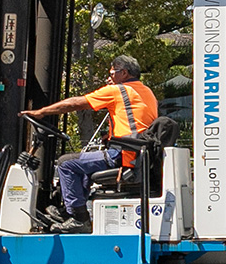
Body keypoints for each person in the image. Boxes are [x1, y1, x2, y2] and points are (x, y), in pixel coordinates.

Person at [27, 54, 157, 232]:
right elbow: (135, 123)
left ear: (124, 73)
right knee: (84, 164)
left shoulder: (117, 90)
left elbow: (75, 103)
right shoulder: (146, 91)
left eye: (112, 73)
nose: (109, 77)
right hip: (135, 153)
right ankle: (70, 210)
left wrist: (41, 112)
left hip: (124, 155)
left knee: (66, 163)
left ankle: (79, 218)